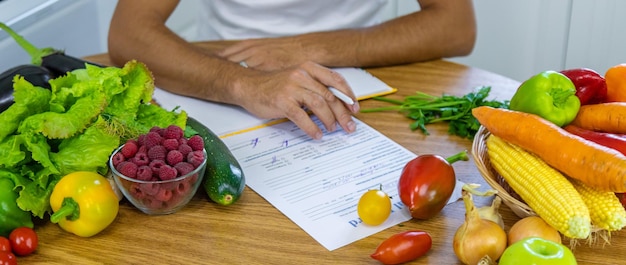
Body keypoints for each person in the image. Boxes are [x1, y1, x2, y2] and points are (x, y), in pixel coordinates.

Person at [108, 0, 476, 139]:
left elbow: (456, 24)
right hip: (219, 75)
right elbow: (128, 32)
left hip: (356, 80)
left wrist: (307, 47)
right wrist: (243, 83)